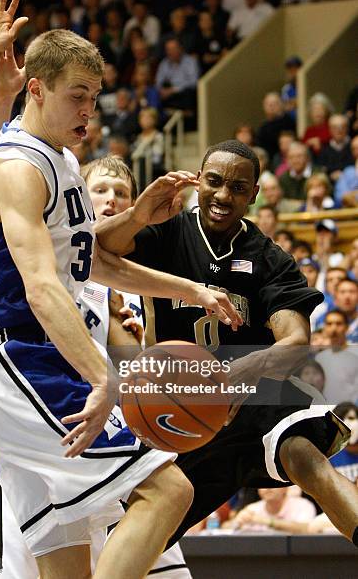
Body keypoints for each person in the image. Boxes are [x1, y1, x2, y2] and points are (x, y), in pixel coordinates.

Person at [0, 0, 240, 579]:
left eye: (96, 97)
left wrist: (193, 291)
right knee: (167, 492)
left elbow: (94, 264)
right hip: (21, 361)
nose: (90, 110)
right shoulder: (16, 169)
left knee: (67, 560)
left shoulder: (60, 162)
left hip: (41, 361)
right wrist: (102, 376)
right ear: (36, 89)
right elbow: (41, 284)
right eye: (77, 96)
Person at [97, 139, 358, 549]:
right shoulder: (167, 233)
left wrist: (236, 373)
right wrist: (136, 215)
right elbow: (93, 250)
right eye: (214, 182)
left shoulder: (271, 259)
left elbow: (295, 342)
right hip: (181, 405)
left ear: (254, 195)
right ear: (198, 182)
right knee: (145, 530)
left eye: (238, 188)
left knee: (304, 457)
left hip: (255, 399)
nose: (223, 195)